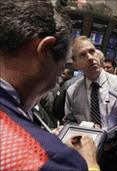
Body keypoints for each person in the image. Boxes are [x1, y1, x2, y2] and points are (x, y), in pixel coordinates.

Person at [0, 1, 99, 170]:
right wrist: (89, 163)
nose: (55, 83)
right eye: (60, 70)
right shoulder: (50, 158)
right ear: (45, 50)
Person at [64, 36, 117, 170]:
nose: (90, 57)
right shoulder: (72, 91)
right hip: (89, 156)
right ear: (75, 63)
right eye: (83, 55)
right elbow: (69, 122)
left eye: (92, 51)